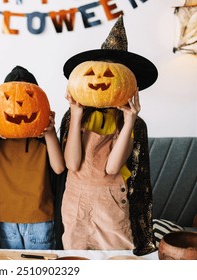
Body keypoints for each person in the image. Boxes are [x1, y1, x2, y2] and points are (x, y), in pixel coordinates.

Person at [59, 16, 158, 256]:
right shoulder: (75, 116)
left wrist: (130, 120)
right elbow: (71, 163)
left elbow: (113, 168)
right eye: (94, 72)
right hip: (75, 201)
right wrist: (76, 112)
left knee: (116, 260)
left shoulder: (134, 124)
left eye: (113, 75)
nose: (101, 80)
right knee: (77, 258)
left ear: (128, 83)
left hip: (111, 203)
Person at [0, 66, 65, 250]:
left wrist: (49, 132)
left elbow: (59, 168)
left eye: (30, 98)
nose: (19, 106)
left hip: (41, 220)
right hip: (5, 221)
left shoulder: (43, 139)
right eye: (7, 99)